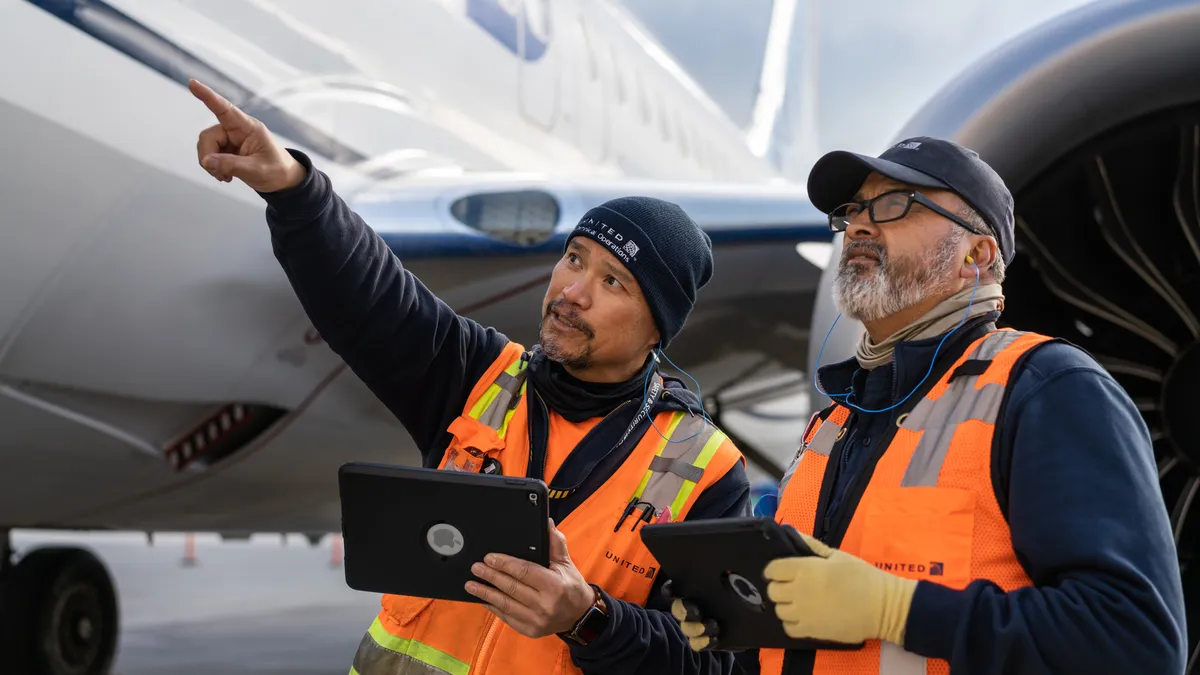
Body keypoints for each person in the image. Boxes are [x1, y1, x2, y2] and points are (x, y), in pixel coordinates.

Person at [187, 78, 756, 675]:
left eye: (612, 281)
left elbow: (721, 664)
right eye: (574, 258)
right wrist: (294, 191)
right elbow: (373, 296)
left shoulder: (705, 469)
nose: (571, 292)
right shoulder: (479, 377)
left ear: (656, 330)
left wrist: (588, 619)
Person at [670, 136, 1188, 674]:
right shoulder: (836, 421)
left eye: (895, 204)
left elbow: (1136, 644)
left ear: (976, 255)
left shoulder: (1046, 390)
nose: (860, 226)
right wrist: (741, 619)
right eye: (853, 211)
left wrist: (896, 609)